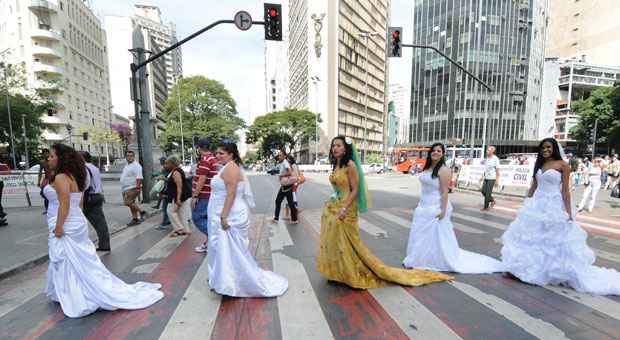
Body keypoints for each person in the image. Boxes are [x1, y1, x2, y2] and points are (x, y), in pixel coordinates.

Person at [44, 144, 163, 318]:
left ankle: (76, 292)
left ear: (61, 158)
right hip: (72, 220)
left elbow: (65, 204)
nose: (49, 158)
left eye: (52, 156)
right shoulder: (70, 176)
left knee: (68, 259)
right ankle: (70, 290)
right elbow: (78, 201)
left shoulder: (62, 177)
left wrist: (60, 226)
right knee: (75, 259)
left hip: (66, 221)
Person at [317, 136, 452, 289]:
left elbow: (355, 190)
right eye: (333, 145)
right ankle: (337, 272)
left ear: (345, 148)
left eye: (339, 145)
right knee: (335, 241)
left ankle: (350, 272)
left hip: (346, 209)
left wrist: (344, 208)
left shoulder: (350, 165)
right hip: (334, 206)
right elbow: (339, 187)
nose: (335, 148)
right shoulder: (336, 165)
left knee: (349, 243)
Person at [501, 138, 620, 295]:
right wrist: (526, 203)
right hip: (536, 206)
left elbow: (565, 191)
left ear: (554, 148)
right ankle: (520, 269)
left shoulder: (563, 165)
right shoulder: (540, 164)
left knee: (549, 241)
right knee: (531, 239)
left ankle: (545, 272)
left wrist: (569, 212)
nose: (545, 150)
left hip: (553, 205)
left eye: (548, 147)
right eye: (543, 148)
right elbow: (534, 186)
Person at [403, 143, 504, 273]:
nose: (435, 153)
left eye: (439, 151)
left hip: (436, 206)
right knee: (421, 234)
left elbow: (445, 192)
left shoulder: (444, 170)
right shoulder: (427, 168)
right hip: (423, 205)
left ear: (443, 154)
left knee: (435, 236)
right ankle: (420, 258)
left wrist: (443, 211)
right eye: (433, 150)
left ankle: (433, 259)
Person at [207, 141, 288, 297]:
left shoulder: (230, 168)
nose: (217, 156)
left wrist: (223, 216)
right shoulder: (228, 167)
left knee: (228, 249)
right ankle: (226, 280)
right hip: (225, 211)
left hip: (229, 214)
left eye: (221, 153)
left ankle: (229, 284)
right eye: (216, 153)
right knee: (227, 250)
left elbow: (231, 194)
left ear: (231, 154)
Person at [79, 151, 111, 252]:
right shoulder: (94, 167)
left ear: (82, 158)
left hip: (90, 197)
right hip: (97, 195)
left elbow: (86, 184)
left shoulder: (84, 168)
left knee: (88, 221)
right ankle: (104, 244)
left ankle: (102, 244)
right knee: (100, 221)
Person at [191, 138, 218, 253]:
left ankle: (216, 238)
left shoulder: (206, 160)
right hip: (209, 195)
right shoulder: (213, 158)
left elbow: (202, 179)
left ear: (199, 148)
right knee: (208, 219)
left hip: (204, 196)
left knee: (197, 218)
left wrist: (195, 196)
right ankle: (209, 243)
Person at [164, 156, 192, 237]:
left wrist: (178, 199)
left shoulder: (176, 172)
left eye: (167, 163)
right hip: (181, 196)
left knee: (170, 211)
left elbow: (179, 186)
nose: (166, 165)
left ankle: (180, 229)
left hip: (176, 196)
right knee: (181, 213)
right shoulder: (176, 171)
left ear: (172, 163)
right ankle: (186, 230)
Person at [272, 151, 298, 224]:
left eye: (280, 155)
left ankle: (276, 218)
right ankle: (294, 219)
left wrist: (281, 175)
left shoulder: (285, 163)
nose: (279, 157)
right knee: (290, 203)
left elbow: (289, 172)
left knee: (279, 201)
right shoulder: (282, 163)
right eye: (279, 155)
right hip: (286, 186)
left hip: (286, 186)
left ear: (284, 156)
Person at [120, 151, 145, 226]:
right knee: (131, 204)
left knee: (128, 202)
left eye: (131, 156)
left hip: (133, 187)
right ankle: (135, 219)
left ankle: (142, 212)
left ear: (134, 157)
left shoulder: (136, 166)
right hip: (126, 188)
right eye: (128, 156)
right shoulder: (127, 165)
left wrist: (137, 187)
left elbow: (139, 177)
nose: (129, 157)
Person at [153, 157, 171, 230]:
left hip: (166, 190)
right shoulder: (167, 168)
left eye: (161, 161)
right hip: (167, 190)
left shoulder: (166, 169)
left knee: (165, 207)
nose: (160, 162)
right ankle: (167, 220)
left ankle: (164, 223)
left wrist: (161, 178)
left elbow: (167, 178)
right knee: (167, 207)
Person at [480, 146, 500, 211]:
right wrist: (482, 176)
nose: (486, 151)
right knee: (483, 191)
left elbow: (497, 170)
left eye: (488, 150)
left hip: (492, 178)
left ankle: (486, 207)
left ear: (492, 151)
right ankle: (493, 200)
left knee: (488, 193)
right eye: (487, 150)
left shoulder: (495, 159)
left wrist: (497, 180)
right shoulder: (487, 158)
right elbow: (486, 169)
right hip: (486, 177)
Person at [284, 155, 300, 220]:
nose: (286, 160)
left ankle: (293, 214)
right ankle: (288, 214)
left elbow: (295, 174)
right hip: (291, 183)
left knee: (292, 198)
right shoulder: (291, 165)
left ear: (290, 159)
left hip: (293, 183)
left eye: (287, 159)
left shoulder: (293, 165)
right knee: (291, 198)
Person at [38, 149, 51, 215]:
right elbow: (40, 172)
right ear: (43, 154)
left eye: (47, 153)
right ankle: (47, 209)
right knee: (44, 194)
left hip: (53, 179)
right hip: (46, 179)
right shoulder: (42, 162)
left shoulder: (52, 160)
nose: (46, 155)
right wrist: (38, 181)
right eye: (44, 153)